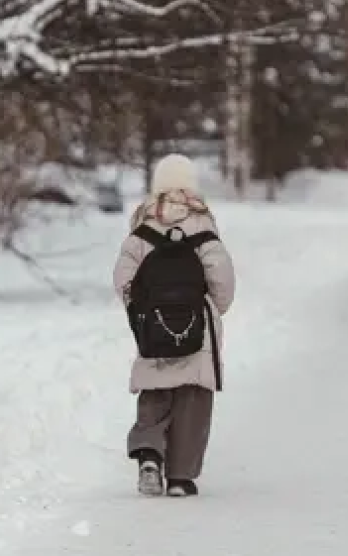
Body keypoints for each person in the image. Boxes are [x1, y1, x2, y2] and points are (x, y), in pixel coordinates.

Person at [113, 154, 235, 498]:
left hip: (154, 327)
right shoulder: (202, 224)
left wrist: (139, 310)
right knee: (193, 401)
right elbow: (222, 278)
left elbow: (123, 277)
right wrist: (213, 309)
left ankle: (149, 454)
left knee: (155, 394)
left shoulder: (143, 226)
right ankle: (181, 477)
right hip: (197, 331)